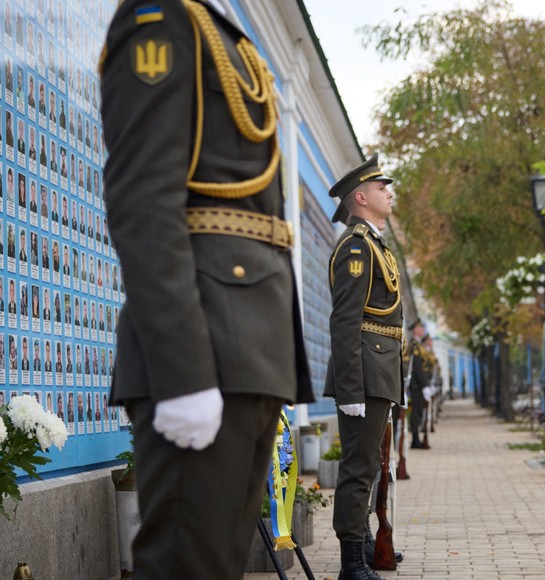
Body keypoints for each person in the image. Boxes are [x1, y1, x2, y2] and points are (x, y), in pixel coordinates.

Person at [100, 1, 313, 578]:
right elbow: (143, 200)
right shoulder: (161, 19)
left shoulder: (220, 28)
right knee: (185, 566)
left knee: (215, 564)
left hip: (250, 345)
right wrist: (183, 372)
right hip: (209, 345)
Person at [323, 153, 403, 580]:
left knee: (371, 465)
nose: (388, 193)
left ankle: (366, 545)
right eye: (380, 188)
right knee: (358, 468)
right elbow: (346, 321)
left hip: (379, 371)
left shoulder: (374, 245)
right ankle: (351, 564)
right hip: (365, 375)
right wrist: (351, 390)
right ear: (361, 196)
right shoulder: (356, 247)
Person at [405, 319, 428, 449]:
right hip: (416, 385)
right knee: (415, 412)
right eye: (421, 327)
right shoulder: (415, 345)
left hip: (418, 384)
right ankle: (414, 439)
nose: (423, 330)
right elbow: (417, 368)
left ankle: (416, 437)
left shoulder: (418, 344)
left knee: (418, 411)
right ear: (415, 329)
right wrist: (424, 386)